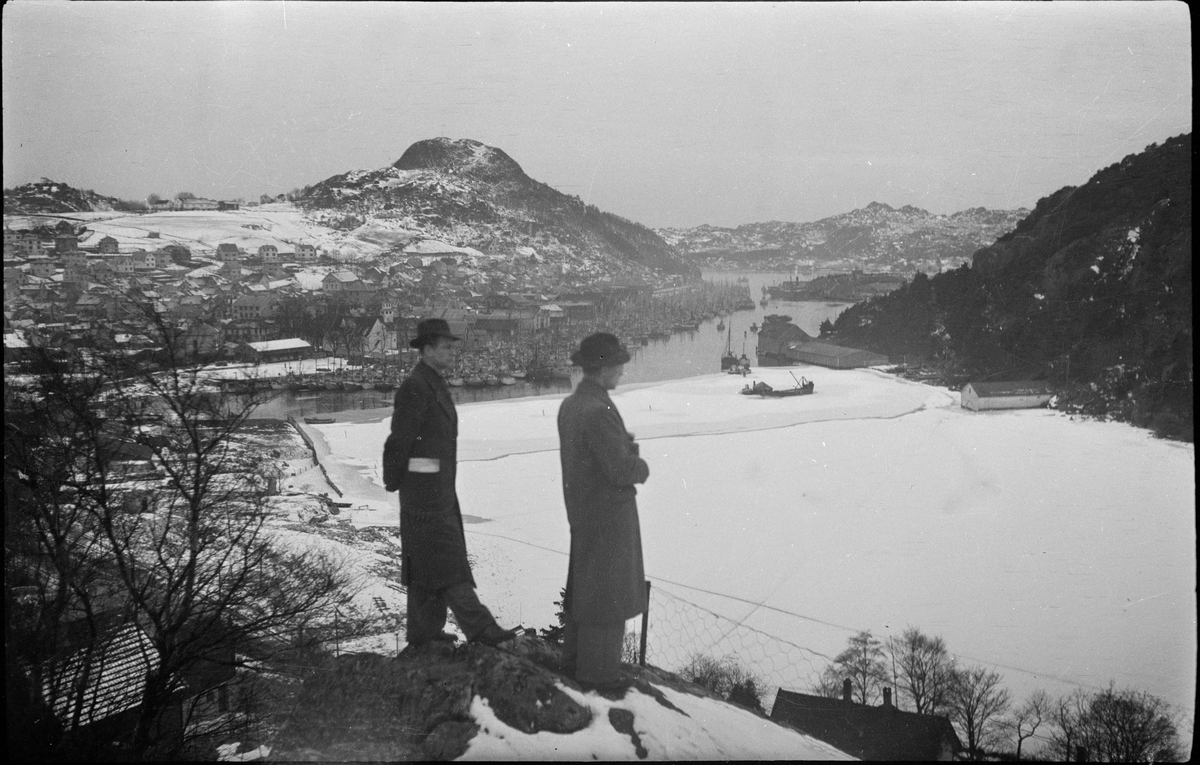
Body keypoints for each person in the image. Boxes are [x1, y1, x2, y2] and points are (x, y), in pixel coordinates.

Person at [383, 318, 520, 649]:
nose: (452, 352)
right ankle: (481, 628)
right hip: (426, 493)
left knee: (425, 561)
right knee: (447, 562)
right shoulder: (416, 387)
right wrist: (396, 481)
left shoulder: (432, 383)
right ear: (427, 350)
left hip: (436, 489)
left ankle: (423, 633)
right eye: (446, 346)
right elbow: (399, 441)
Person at [556, 333, 651, 693]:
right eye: (619, 365)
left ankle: (576, 666)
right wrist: (640, 464)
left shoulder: (571, 405)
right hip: (609, 517)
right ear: (604, 368)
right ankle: (599, 677)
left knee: (586, 594)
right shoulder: (600, 409)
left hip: (583, 512)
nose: (622, 372)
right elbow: (620, 469)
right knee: (608, 600)